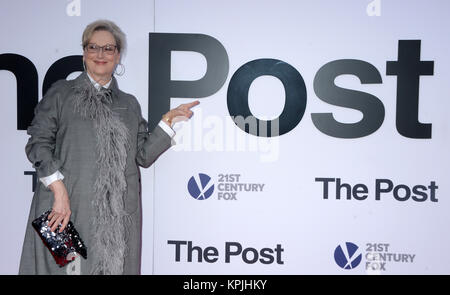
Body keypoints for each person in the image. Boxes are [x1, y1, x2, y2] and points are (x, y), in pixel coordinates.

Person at [18, 19, 199, 275]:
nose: (100, 54)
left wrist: (168, 122)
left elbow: (143, 155)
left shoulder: (129, 104)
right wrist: (58, 191)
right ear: (84, 53)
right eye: (93, 47)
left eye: (108, 48)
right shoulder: (61, 94)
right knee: (66, 271)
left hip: (116, 219)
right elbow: (38, 142)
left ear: (118, 56)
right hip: (65, 211)